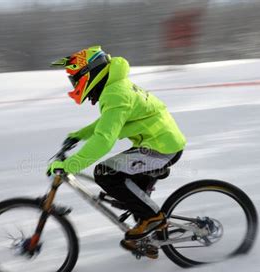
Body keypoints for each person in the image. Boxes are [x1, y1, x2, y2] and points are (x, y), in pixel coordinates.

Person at [48, 46, 186, 257]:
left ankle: (152, 220)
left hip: (161, 148)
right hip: (159, 143)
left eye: (76, 79)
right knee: (128, 193)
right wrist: (79, 134)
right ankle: (147, 239)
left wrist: (69, 166)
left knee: (105, 173)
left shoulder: (115, 94)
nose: (75, 85)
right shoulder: (115, 87)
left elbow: (104, 140)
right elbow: (108, 122)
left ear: (90, 73)